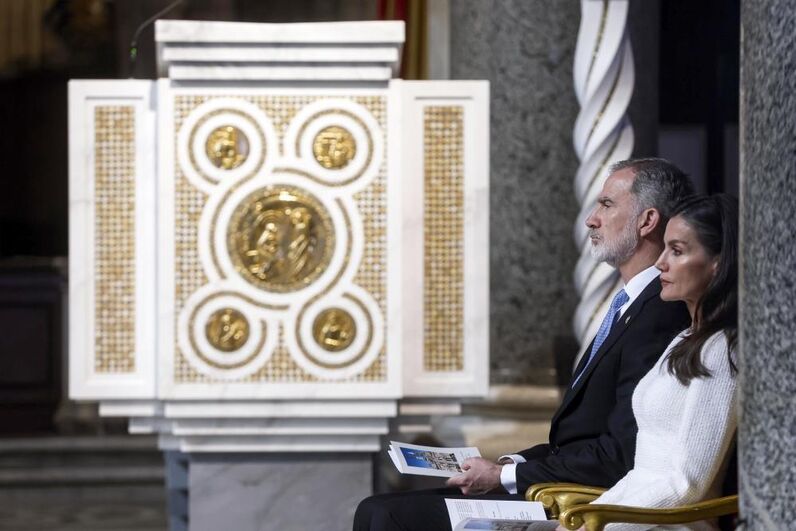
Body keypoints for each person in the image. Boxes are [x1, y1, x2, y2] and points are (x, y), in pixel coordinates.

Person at [354, 159, 694, 531]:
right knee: (375, 510)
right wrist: (509, 464)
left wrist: (503, 477)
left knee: (385, 515)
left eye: (607, 205)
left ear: (647, 221)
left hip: (580, 500)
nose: (591, 219)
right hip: (553, 482)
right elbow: (577, 439)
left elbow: (619, 451)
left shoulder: (660, 314)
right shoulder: (631, 305)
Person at [558, 194, 739, 531]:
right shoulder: (684, 339)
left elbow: (687, 484)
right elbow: (642, 472)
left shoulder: (722, 350)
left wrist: (601, 521)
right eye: (665, 248)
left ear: (718, 262)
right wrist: (587, 518)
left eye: (678, 251)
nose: (660, 263)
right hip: (632, 515)